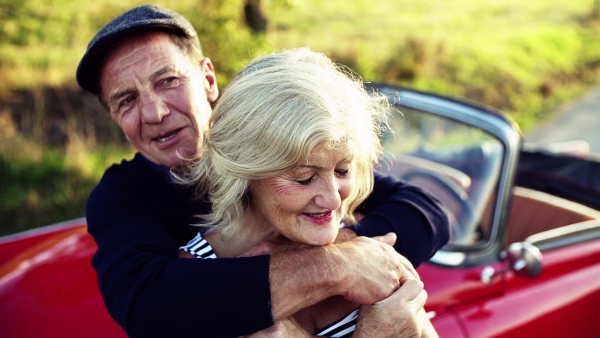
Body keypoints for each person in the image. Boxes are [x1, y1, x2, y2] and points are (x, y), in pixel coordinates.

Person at [75, 4, 449, 337]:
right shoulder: (122, 196)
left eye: (168, 81)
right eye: (127, 100)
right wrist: (336, 267)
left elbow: (426, 211)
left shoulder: (283, 139)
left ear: (208, 79)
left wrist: (349, 246)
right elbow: (149, 304)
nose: (154, 113)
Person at [177, 47, 438, 337]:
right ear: (245, 172)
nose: (333, 199)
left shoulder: (364, 249)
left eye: (342, 171)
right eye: (304, 178)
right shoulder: (195, 284)